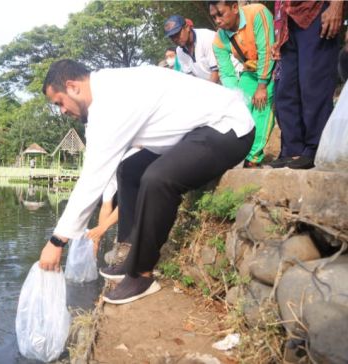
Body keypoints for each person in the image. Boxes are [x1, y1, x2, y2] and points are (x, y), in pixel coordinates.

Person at [39, 59, 254, 304]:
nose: (62, 111)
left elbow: (92, 178)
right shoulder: (103, 94)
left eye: (60, 102)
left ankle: (142, 274)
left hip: (228, 127)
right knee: (129, 169)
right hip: (191, 133)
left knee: (156, 178)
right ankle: (130, 250)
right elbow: (97, 165)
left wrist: (57, 241)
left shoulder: (114, 100)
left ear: (73, 87)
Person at [268, 0, 344, 169]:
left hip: (315, 11)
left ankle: (315, 148)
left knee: (313, 84)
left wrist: (337, 5)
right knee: (286, 89)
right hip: (287, 20)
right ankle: (292, 149)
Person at [210, 1, 276, 168]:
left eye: (220, 14)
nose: (217, 20)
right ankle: (238, 153)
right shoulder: (219, 40)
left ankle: (253, 157)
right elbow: (226, 73)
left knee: (262, 106)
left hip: (273, 65)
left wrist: (262, 87)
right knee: (241, 109)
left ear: (234, 7)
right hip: (250, 70)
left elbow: (266, 51)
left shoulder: (257, 13)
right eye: (213, 17)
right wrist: (236, 96)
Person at [164, 15, 220, 83]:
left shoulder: (206, 37)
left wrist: (208, 92)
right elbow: (191, 78)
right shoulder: (179, 51)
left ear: (187, 27)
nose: (175, 39)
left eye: (177, 34)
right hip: (209, 86)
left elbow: (217, 71)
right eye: (172, 37)